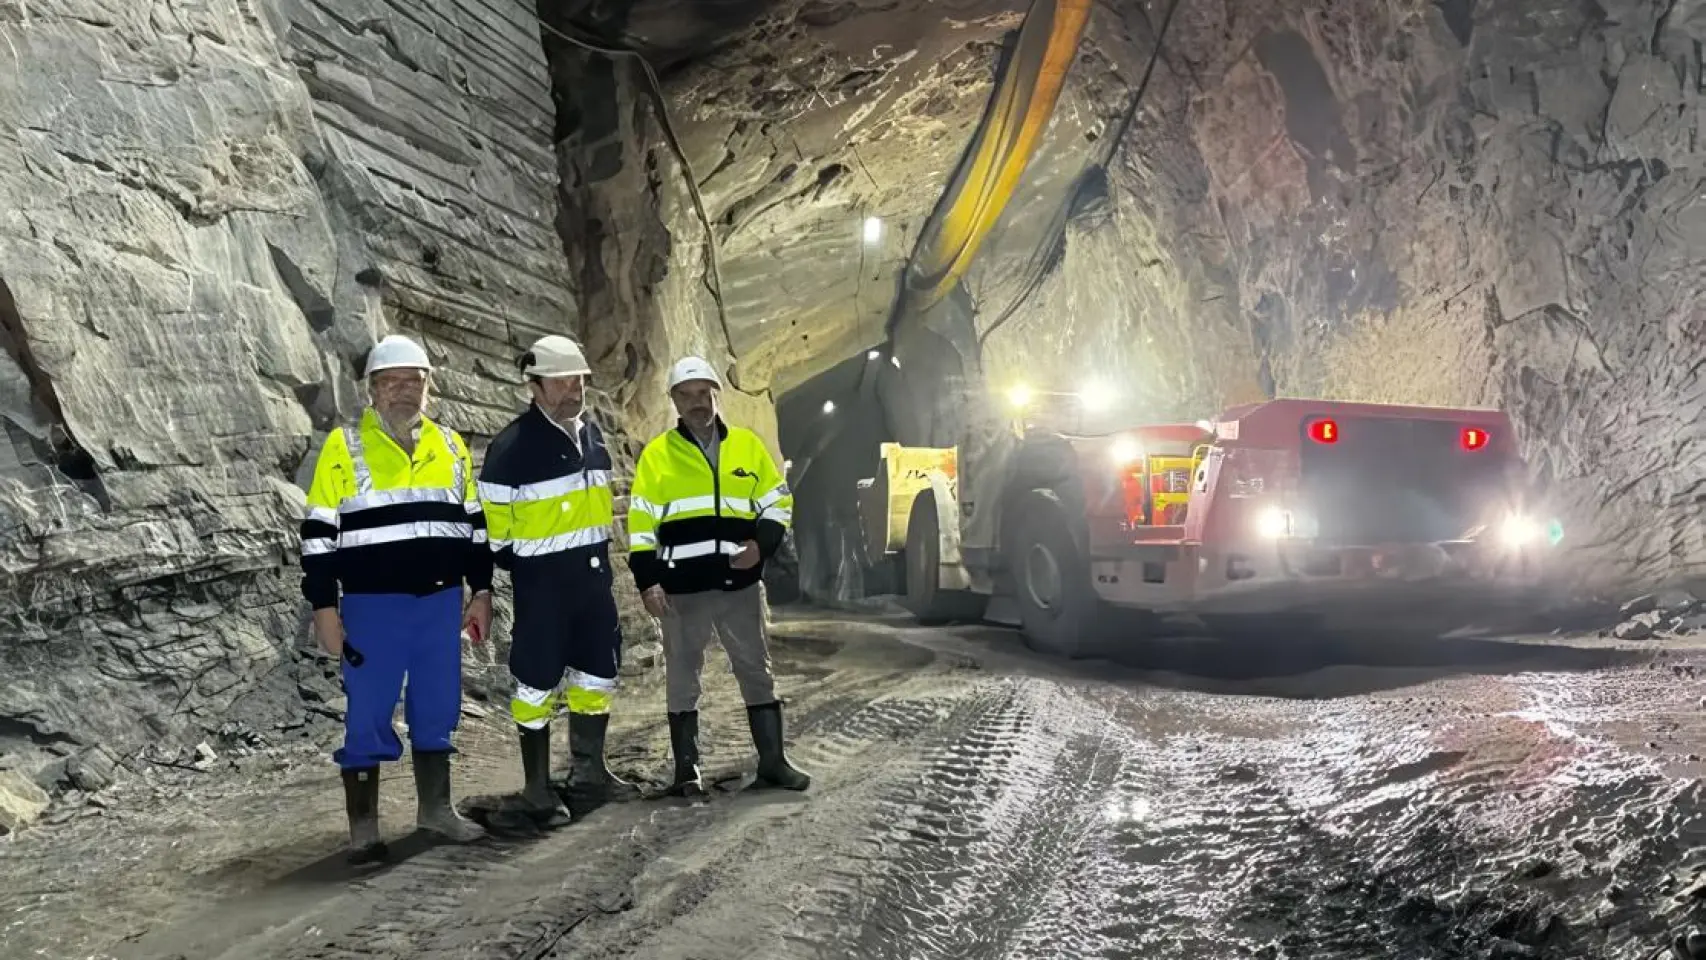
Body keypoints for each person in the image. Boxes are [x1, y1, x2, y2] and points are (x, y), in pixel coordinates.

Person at [299, 333, 491, 863]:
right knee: (367, 712)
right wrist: (324, 607)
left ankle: (436, 811)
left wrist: (482, 590)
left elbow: (476, 527)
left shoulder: (451, 447)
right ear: (372, 390)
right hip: (373, 607)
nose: (404, 390)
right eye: (392, 382)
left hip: (440, 604)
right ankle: (364, 829)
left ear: (429, 387)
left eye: (415, 381)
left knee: (437, 705)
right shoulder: (344, 447)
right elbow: (318, 535)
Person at [626, 356, 811, 798]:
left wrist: (761, 545)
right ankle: (686, 773)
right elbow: (641, 525)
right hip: (682, 589)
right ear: (674, 401)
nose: (697, 403)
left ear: (716, 396)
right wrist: (647, 582)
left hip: (737, 586)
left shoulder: (747, 447)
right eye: (686, 395)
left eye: (703, 394)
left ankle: (773, 763)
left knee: (756, 671)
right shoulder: (658, 456)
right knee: (682, 678)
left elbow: (777, 503)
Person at [478, 335, 638, 824]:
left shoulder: (592, 436)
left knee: (597, 673)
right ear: (534, 386)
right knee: (536, 681)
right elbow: (494, 535)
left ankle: (589, 775)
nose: (574, 390)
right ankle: (537, 789)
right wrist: (534, 567)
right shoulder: (511, 448)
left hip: (593, 583)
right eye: (562, 381)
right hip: (544, 588)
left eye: (579, 380)